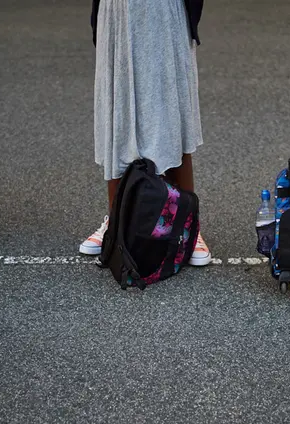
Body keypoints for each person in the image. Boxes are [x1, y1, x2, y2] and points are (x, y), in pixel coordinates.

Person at [82, 0, 211, 266]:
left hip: (165, 11)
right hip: (117, 11)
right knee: (118, 115)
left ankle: (188, 226)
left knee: (171, 113)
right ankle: (116, 223)